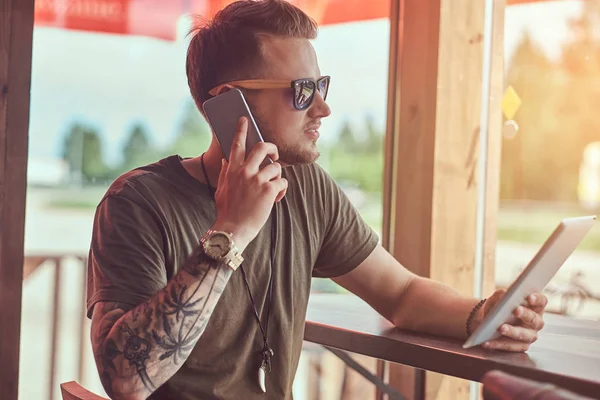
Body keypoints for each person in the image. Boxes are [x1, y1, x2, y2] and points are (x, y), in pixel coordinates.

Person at [86, 1, 548, 399]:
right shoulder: (137, 203)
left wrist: (481, 316)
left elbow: (401, 294)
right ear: (230, 104)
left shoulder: (306, 187)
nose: (323, 108)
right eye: (302, 91)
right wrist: (231, 232)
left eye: (320, 86)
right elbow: (126, 381)